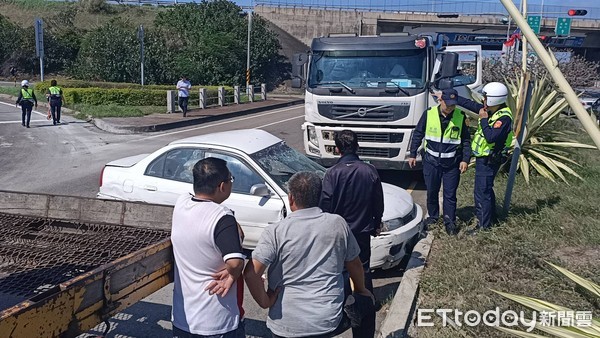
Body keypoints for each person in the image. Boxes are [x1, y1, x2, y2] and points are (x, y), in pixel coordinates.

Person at [244, 171, 374, 338]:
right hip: (326, 320)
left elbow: (250, 273)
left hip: (285, 323)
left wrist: (265, 301)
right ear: (319, 197)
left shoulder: (275, 232)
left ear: (291, 198)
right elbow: (354, 264)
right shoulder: (337, 224)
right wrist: (361, 290)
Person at [171, 157, 246, 338]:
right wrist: (232, 275)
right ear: (222, 186)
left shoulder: (181, 203)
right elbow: (235, 262)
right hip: (218, 322)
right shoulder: (222, 218)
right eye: (230, 180)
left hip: (183, 319)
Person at [319, 130, 383, 338]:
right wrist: (375, 224)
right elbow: (378, 204)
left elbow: (325, 205)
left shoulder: (332, 173)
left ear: (337, 149)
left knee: (340, 274)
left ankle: (343, 312)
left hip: (338, 235)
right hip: (362, 233)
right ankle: (364, 321)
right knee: (363, 273)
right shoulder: (370, 171)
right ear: (357, 147)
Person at [408, 88, 471, 235]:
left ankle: (450, 221)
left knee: (450, 194)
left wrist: (465, 159)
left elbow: (466, 140)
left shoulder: (460, 116)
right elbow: (418, 134)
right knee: (432, 191)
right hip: (431, 162)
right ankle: (433, 217)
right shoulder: (429, 114)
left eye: (453, 105)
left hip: (452, 164)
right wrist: (412, 154)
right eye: (447, 104)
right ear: (440, 100)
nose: (450, 108)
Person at [454, 82, 514, 232]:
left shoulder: (503, 118)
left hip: (489, 160)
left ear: (494, 99)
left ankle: (483, 226)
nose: (483, 100)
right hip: (483, 159)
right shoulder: (491, 111)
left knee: (482, 192)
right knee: (486, 190)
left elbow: (491, 137)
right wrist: (453, 97)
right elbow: (470, 104)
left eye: (486, 97)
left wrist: (483, 120)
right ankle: (491, 218)